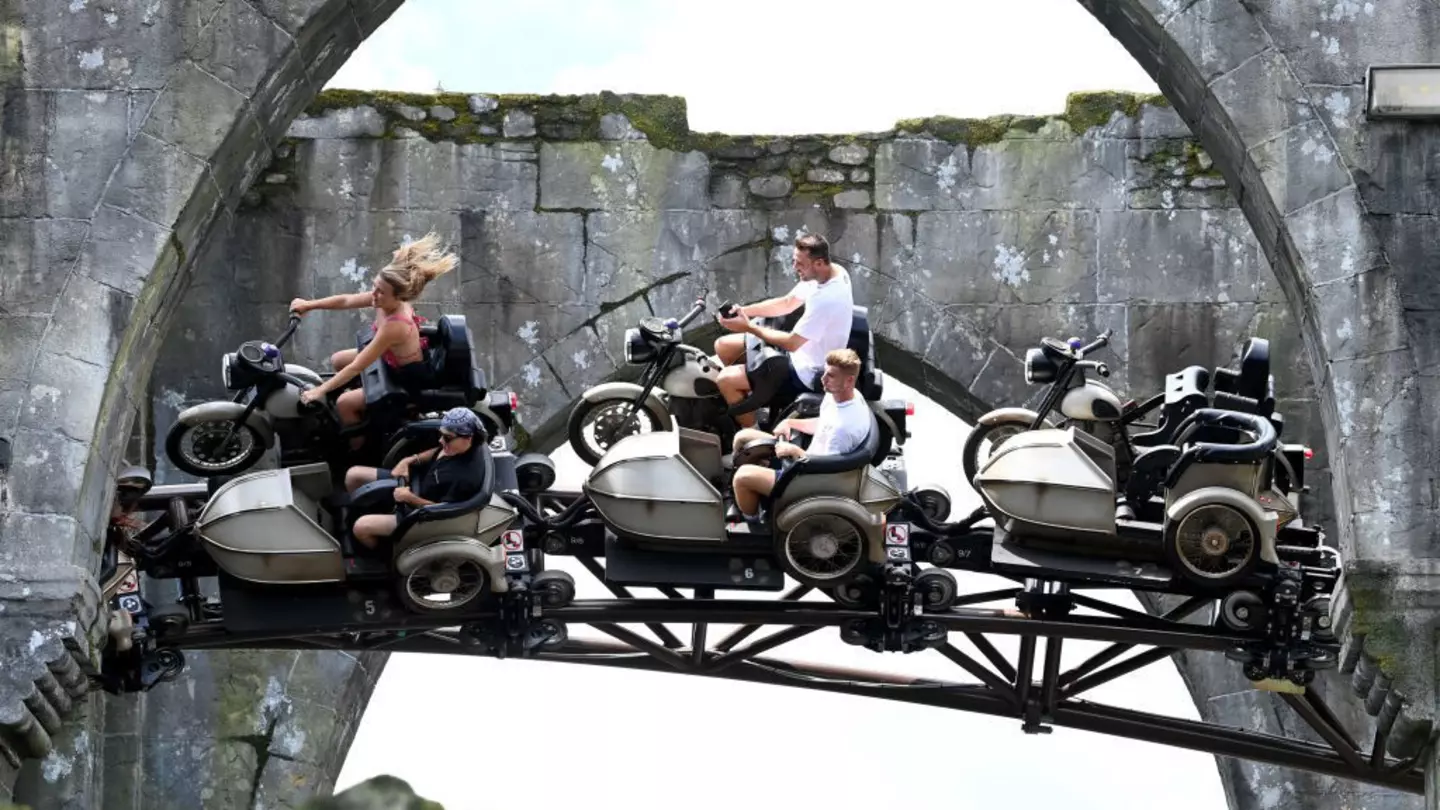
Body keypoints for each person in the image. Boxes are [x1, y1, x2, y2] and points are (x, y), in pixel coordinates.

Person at [289, 232, 457, 441]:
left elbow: (358, 365)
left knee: (345, 404)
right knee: (338, 359)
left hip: (406, 378)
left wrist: (319, 391)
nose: (374, 294)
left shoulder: (395, 325)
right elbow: (346, 301)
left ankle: (358, 448)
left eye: (381, 292)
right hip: (390, 360)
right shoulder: (385, 298)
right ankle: (364, 405)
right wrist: (309, 305)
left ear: (398, 297)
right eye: (374, 287)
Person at [713, 232, 854, 428]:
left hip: (806, 370)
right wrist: (743, 311)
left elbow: (791, 343)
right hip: (798, 351)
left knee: (726, 380)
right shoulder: (829, 272)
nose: (794, 267)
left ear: (819, 263)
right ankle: (753, 398)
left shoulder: (828, 299)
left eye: (800, 264)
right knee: (723, 346)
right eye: (795, 260)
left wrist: (748, 327)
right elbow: (787, 303)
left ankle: (754, 439)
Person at [729, 348, 871, 522]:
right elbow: (823, 424)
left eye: (831, 376)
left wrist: (794, 451)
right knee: (742, 437)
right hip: (806, 458)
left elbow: (826, 470)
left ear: (849, 380)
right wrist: (790, 423)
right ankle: (755, 484)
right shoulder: (845, 395)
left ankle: (752, 518)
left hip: (808, 478)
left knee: (742, 478)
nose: (823, 379)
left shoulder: (842, 430)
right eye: (824, 371)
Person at [342, 407, 489, 549]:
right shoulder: (456, 446)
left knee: (360, 527)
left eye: (447, 438)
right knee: (353, 476)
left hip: (418, 515)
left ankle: (384, 555)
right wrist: (409, 460)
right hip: (411, 484)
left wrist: (409, 498)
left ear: (468, 438)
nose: (441, 441)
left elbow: (442, 512)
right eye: (441, 435)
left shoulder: (465, 479)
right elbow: (437, 451)